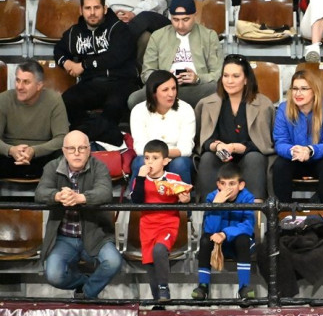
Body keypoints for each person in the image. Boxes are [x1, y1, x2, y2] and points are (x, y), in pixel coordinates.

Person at [35, 130, 122, 299]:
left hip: (95, 234)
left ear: (89, 150)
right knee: (53, 275)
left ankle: (86, 293)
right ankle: (84, 282)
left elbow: (105, 192)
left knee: (113, 262)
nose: (76, 153)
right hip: (63, 237)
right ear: (63, 150)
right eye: (71, 148)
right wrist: (57, 196)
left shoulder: (99, 166)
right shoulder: (52, 166)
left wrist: (80, 198)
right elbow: (40, 192)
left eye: (81, 148)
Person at [54, 0, 138, 146]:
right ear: (81, 10)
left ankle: (84, 134)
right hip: (91, 84)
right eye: (88, 8)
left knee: (114, 106)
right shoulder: (75, 32)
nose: (92, 13)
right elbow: (58, 50)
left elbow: (115, 57)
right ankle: (101, 134)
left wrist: (84, 65)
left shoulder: (119, 28)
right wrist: (66, 62)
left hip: (121, 82)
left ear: (105, 9)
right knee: (67, 100)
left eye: (96, 8)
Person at [195, 54, 275, 202]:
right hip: (219, 156)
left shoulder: (264, 105)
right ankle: (207, 208)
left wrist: (239, 148)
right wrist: (217, 146)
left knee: (254, 158)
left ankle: (255, 209)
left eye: (235, 76)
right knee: (207, 158)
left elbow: (266, 144)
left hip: (249, 156)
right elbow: (203, 141)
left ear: (246, 80)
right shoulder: (207, 103)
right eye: (226, 76)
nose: (229, 81)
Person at [128, 0, 224, 109]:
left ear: (194, 15)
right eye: (175, 20)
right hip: (164, 89)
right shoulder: (158, 36)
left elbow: (218, 73)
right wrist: (165, 79)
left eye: (186, 19)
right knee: (134, 99)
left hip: (196, 88)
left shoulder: (209, 36)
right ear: (170, 17)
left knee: (215, 89)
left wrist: (198, 78)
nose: (180, 25)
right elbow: (146, 73)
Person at [130, 139, 191, 302]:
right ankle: (158, 303)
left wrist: (185, 200)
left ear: (165, 161)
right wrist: (140, 178)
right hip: (147, 226)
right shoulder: (139, 180)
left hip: (168, 224)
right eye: (147, 158)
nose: (149, 162)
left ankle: (164, 287)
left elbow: (184, 197)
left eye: (155, 158)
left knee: (159, 250)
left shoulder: (174, 178)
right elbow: (136, 201)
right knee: (150, 266)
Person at [272, 70, 323, 203]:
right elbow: (280, 142)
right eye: (295, 89)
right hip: (294, 157)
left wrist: (310, 150)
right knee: (280, 165)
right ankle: (283, 211)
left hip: (320, 158)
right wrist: (293, 151)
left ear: (314, 91)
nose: (298, 93)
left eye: (304, 89)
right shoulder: (283, 109)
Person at [191, 163, 256, 301]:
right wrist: (216, 205)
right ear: (218, 184)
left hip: (238, 244)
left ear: (241, 185)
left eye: (232, 184)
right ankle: (203, 286)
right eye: (223, 183)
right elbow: (210, 229)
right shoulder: (212, 197)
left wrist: (225, 233)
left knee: (243, 239)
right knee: (205, 239)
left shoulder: (248, 198)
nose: (227, 188)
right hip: (218, 244)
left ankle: (244, 287)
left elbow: (248, 226)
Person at [0, 60, 68, 179]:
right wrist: (10, 150)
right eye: (17, 80)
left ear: (39, 86)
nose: (19, 87)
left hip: (43, 157)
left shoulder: (54, 100)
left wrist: (34, 151)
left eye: (26, 82)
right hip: (8, 157)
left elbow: (62, 138)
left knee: (66, 155)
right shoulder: (4, 99)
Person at [130, 70, 195, 185]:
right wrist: (157, 159)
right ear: (153, 92)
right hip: (149, 157)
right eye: (165, 90)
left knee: (180, 164)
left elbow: (186, 148)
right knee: (141, 162)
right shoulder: (138, 110)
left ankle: (183, 196)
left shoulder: (186, 109)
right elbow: (140, 147)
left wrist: (162, 156)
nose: (171, 94)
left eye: (174, 88)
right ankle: (137, 196)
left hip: (176, 157)